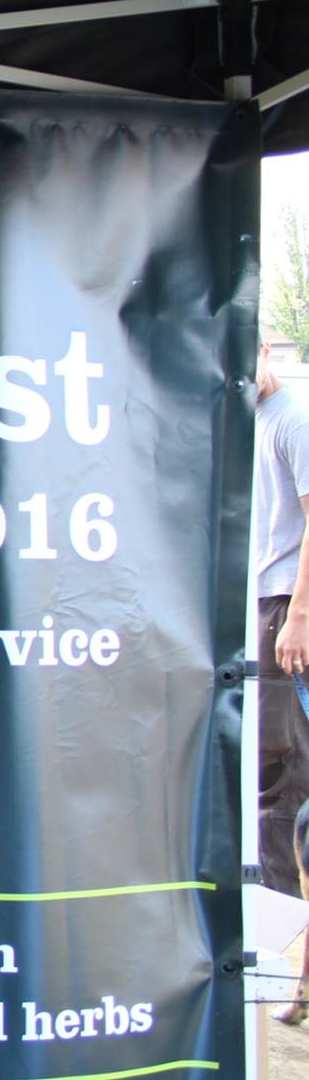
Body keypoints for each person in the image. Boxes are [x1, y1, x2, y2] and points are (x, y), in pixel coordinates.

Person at [258, 337, 309, 895]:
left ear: (265, 349)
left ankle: (288, 913)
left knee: (283, 765)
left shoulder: (294, 418)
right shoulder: (247, 419)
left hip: (285, 603)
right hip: (264, 601)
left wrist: (299, 616)